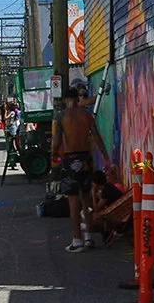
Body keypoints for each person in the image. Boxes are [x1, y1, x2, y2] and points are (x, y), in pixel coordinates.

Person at [52, 81, 107, 251]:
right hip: (86, 159)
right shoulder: (87, 116)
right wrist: (107, 159)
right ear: (77, 99)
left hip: (71, 159)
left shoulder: (62, 117)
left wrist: (53, 155)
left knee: (73, 202)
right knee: (86, 199)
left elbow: (57, 141)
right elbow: (97, 138)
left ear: (67, 100)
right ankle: (89, 237)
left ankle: (77, 239)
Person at [86, 168, 133, 246]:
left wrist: (94, 193)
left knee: (92, 217)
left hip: (117, 215)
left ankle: (93, 237)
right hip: (118, 211)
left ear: (95, 183)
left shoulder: (106, 191)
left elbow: (97, 208)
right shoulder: (109, 186)